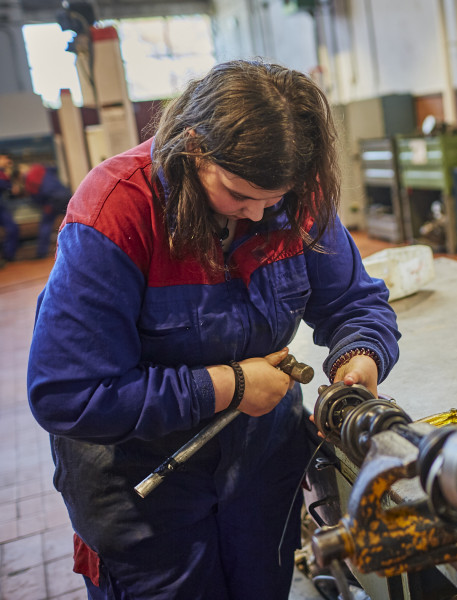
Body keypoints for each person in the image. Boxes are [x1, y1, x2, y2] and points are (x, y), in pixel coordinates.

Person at [27, 59, 401, 599]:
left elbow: (354, 302)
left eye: (273, 199)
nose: (257, 215)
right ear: (194, 147)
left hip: (258, 473)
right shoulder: (116, 211)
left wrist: (359, 358)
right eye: (239, 194)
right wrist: (230, 385)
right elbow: (67, 394)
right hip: (142, 488)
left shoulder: (291, 194)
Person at [21, 161, 71, 258]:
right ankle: (73, 247)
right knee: (71, 221)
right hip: (66, 195)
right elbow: (54, 169)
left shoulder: (29, 181)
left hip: (53, 200)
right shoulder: (43, 169)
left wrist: (45, 205)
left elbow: (36, 197)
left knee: (46, 225)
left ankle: (41, 252)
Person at [0, 153, 19, 264]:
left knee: (12, 229)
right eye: (5, 158)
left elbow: (12, 191)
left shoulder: (4, 173)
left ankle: (8, 256)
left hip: (2, 207)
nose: (7, 161)